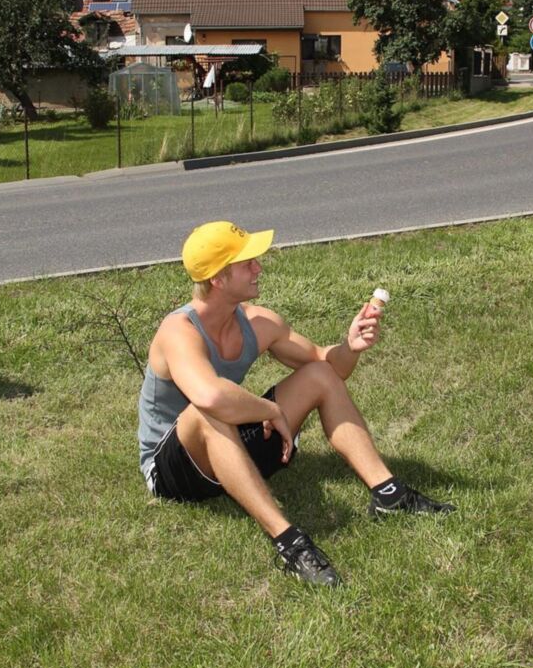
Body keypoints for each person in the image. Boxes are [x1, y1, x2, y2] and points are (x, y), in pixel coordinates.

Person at [137, 220, 453, 586]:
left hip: (232, 450)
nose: (259, 268)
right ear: (217, 279)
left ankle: (389, 494)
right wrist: (270, 410)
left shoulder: (258, 322)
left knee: (318, 375)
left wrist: (349, 346)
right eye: (247, 263)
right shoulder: (178, 332)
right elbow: (210, 397)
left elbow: (328, 366)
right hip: (175, 471)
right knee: (208, 410)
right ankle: (290, 543)